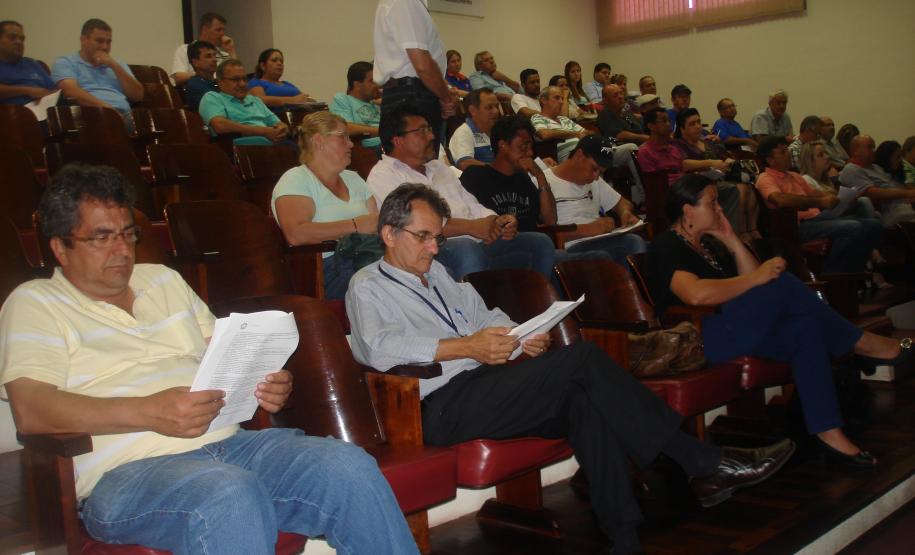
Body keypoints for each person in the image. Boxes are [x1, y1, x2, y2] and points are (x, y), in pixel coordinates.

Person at [347, 182, 795, 555]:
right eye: (424, 237)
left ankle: (624, 538)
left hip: (487, 385)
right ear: (389, 233)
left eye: (438, 238)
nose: (433, 247)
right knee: (582, 358)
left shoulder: (440, 275)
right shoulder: (367, 286)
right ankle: (701, 460)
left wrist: (521, 336)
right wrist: (466, 347)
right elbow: (378, 348)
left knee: (585, 401)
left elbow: (488, 317)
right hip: (439, 404)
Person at [0, 163, 418, 555]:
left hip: (230, 447)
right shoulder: (36, 303)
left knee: (347, 467)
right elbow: (32, 411)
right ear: (60, 247)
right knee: (229, 493)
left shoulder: (163, 280)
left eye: (127, 234)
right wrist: (149, 412)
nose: (122, 249)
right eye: (101, 237)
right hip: (129, 476)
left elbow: (227, 356)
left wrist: (266, 382)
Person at [646, 174, 910, 470]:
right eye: (712, 202)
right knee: (782, 284)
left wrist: (731, 239)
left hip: (736, 325)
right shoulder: (666, 245)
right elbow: (695, 294)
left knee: (804, 329)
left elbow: (756, 279)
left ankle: (829, 433)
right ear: (687, 210)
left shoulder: (709, 246)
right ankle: (864, 344)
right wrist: (758, 277)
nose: (719, 208)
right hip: (703, 336)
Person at [367, 103, 555, 280]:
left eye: (429, 129)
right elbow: (414, 227)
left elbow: (472, 205)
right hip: (433, 248)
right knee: (467, 249)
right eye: (422, 131)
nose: (431, 136)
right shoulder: (383, 174)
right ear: (398, 140)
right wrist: (471, 227)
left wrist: (496, 221)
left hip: (478, 241)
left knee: (540, 243)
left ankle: (536, 304)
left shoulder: (439, 168)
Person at [459, 117, 618, 265]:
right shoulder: (476, 176)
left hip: (535, 250)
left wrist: (540, 176)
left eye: (531, 147)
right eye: (523, 146)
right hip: (500, 249)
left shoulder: (523, 180)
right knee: (542, 243)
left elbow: (550, 221)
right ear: (503, 145)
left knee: (599, 259)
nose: (530, 153)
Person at [272, 112, 378, 300]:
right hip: (325, 270)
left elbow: (375, 223)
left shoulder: (353, 178)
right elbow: (296, 234)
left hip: (364, 258)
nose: (351, 144)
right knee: (390, 279)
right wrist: (355, 225)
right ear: (318, 140)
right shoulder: (295, 179)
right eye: (342, 137)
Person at [755, 136, 883, 273]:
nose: (789, 153)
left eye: (787, 149)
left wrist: (841, 198)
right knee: (852, 227)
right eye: (783, 152)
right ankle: (832, 273)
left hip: (816, 219)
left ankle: (854, 269)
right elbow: (779, 199)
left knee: (873, 225)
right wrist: (819, 202)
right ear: (770, 160)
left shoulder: (794, 176)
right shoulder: (765, 178)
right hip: (796, 226)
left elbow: (816, 194)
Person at [373, 0, 455, 157]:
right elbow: (422, 64)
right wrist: (446, 98)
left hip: (410, 91)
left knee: (418, 165)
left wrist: (443, 91)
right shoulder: (406, 2)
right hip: (413, 94)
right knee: (417, 164)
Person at [674, 108, 758, 240]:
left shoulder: (706, 142)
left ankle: (751, 229)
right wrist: (711, 163)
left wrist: (726, 159)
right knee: (738, 189)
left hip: (721, 177)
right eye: (692, 124)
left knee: (750, 186)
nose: (698, 126)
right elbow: (684, 163)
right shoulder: (679, 145)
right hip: (699, 183)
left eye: (699, 122)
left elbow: (724, 157)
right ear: (682, 129)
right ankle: (738, 233)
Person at [51, 18, 143, 116]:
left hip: (125, 115)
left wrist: (114, 66)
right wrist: (110, 111)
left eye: (108, 42)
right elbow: (70, 91)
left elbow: (137, 96)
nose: (105, 47)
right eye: (99, 41)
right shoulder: (66, 62)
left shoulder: (117, 64)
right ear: (83, 40)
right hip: (90, 115)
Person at [198, 59, 292, 147]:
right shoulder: (213, 98)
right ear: (221, 82)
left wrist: (282, 129)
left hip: (272, 145)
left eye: (244, 79)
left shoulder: (255, 100)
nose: (242, 84)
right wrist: (264, 131)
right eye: (236, 80)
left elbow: (278, 123)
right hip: (240, 149)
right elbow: (220, 126)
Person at [840, 135, 915, 228]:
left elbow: (893, 184)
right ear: (856, 151)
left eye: (873, 147)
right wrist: (906, 193)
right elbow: (873, 193)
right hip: (890, 212)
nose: (873, 151)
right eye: (869, 147)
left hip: (904, 204)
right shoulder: (851, 169)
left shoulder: (876, 167)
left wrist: (908, 195)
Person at [531, 85, 595, 162]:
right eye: (557, 98)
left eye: (562, 98)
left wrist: (588, 134)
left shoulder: (564, 119)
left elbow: (586, 133)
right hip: (571, 159)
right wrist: (576, 134)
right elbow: (544, 134)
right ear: (544, 100)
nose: (561, 102)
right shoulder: (537, 118)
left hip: (588, 152)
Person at [171, 12, 236, 87]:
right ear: (204, 29)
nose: (223, 34)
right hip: (198, 90)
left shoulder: (224, 54)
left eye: (223, 30)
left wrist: (231, 50)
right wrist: (205, 75)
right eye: (218, 30)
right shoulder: (185, 49)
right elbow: (179, 77)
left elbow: (237, 75)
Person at [330, 61, 382, 152]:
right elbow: (344, 127)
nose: (377, 85)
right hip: (368, 149)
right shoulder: (343, 99)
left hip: (388, 142)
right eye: (372, 81)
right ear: (357, 85)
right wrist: (381, 131)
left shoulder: (376, 104)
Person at [0, 20, 57, 106]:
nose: (19, 42)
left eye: (22, 39)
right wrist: (28, 90)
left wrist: (46, 97)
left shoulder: (32, 64)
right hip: (13, 112)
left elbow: (54, 90)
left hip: (43, 110)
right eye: (12, 37)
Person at [448, 87, 499, 169]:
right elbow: (465, 164)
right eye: (489, 107)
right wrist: (498, 170)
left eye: (497, 106)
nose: (496, 111)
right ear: (473, 110)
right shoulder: (463, 132)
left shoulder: (500, 130)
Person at [247, 48, 315, 109]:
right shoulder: (256, 82)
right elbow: (259, 100)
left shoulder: (287, 84)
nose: (279, 63)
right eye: (274, 60)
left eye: (281, 61)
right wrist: (292, 100)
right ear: (263, 66)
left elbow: (304, 97)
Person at [637, 107, 685, 182]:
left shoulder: (674, 149)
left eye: (669, 120)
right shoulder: (645, 152)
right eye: (663, 121)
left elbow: (682, 173)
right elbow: (654, 183)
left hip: (683, 184)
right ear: (651, 126)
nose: (668, 124)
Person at [182, 40, 218, 112]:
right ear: (195, 62)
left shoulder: (217, 83)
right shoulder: (194, 84)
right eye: (209, 56)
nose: (215, 60)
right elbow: (219, 104)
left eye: (215, 56)